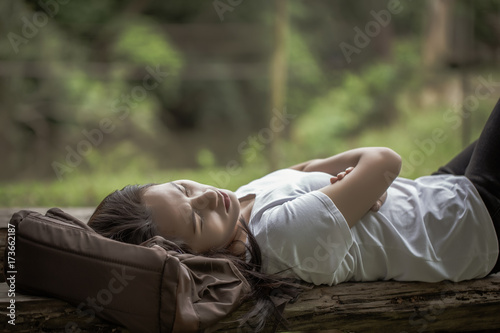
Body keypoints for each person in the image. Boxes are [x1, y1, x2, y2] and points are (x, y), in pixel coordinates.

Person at [88, 98, 500, 329]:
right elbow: (387, 160)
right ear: (200, 258)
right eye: (198, 220)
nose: (208, 198)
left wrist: (358, 180)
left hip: (435, 194)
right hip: (471, 225)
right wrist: (364, 175)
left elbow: (305, 168)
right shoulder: (282, 236)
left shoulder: (241, 206)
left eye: (183, 189)